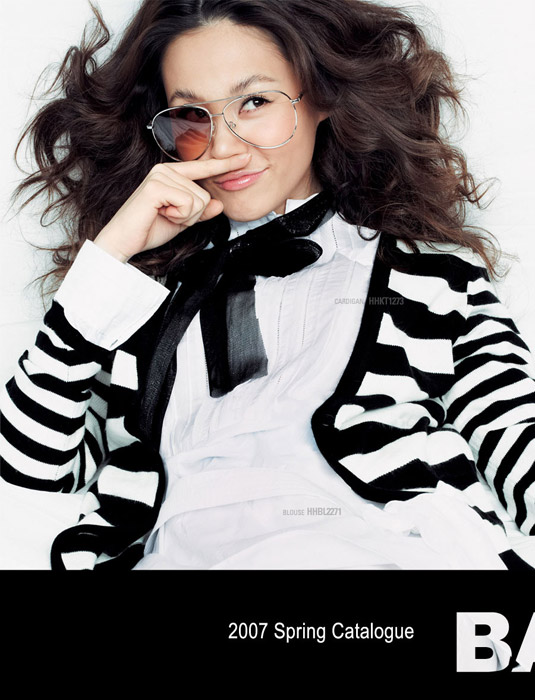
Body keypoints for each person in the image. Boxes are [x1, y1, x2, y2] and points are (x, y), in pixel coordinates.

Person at [1, 0, 535, 570]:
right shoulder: (136, 299)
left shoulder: (432, 281)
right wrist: (110, 258)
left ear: (322, 95)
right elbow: (28, 471)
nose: (223, 147)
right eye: (193, 115)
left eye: (254, 102)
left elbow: (518, 445)